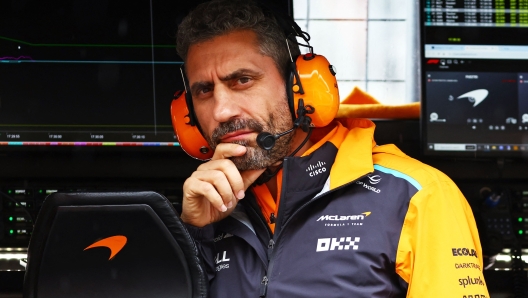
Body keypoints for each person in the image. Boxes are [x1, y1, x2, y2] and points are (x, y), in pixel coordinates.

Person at [175, 0, 490, 297]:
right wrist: (192, 234)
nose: (222, 111)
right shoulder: (208, 210)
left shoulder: (418, 196)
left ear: (299, 86)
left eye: (242, 80)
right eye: (204, 90)